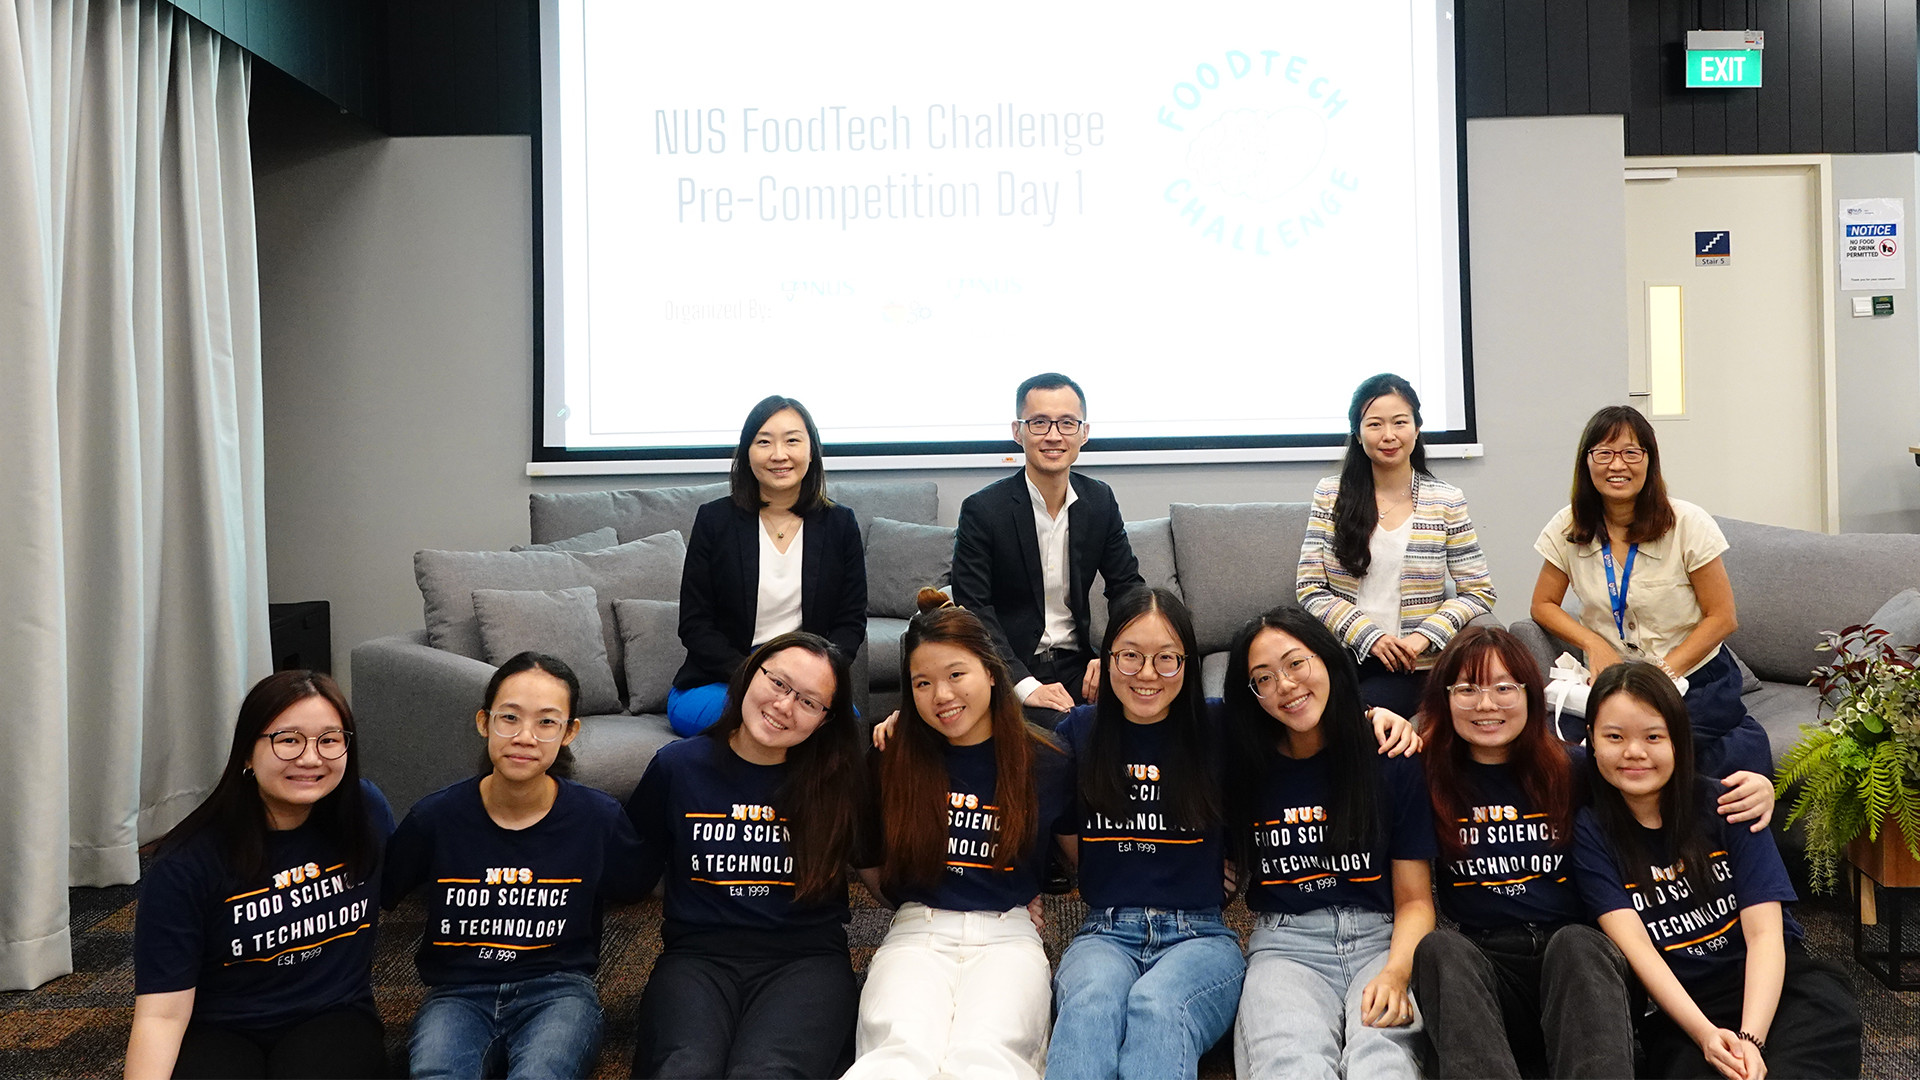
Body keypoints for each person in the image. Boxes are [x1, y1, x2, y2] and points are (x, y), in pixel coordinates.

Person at [1414, 627, 1781, 1079]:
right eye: (1467, 689)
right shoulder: (1424, 776)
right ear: (1444, 698)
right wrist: (1376, 715)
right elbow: (1351, 756)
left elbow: (1661, 775)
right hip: (1488, 967)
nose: (1487, 704)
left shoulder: (1573, 767)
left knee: (1577, 943)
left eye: (1504, 687)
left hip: (1582, 965)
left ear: (1531, 694)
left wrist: (1760, 785)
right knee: (1438, 949)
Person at [1570, 662, 1862, 1079]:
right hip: (1686, 1007)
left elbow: (1765, 935)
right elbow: (1639, 950)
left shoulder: (1730, 803)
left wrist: (1750, 1039)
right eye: (1614, 737)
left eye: (1654, 736)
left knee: (1811, 1049)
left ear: (1679, 741)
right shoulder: (1591, 832)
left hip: (1777, 987)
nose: (1634, 752)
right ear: (1591, 744)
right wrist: (1707, 1035)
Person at [845, 590, 1077, 1080]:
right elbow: (868, 855)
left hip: (1009, 935)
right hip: (916, 933)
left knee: (987, 1054)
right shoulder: (891, 756)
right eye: (922, 683)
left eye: (956, 675)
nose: (942, 696)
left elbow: (1081, 855)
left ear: (991, 671)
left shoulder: (1046, 760)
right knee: (900, 1053)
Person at [383, 652, 647, 1080]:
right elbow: (382, 891)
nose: (525, 736)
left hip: (558, 989)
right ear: (484, 722)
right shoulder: (435, 818)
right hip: (457, 991)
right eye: (509, 718)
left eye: (546, 722)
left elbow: (633, 885)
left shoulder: (597, 819)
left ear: (569, 732)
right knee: (436, 1072)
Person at [126, 670, 393, 1080]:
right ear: (248, 754)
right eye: (287, 740)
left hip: (333, 1017)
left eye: (329, 740)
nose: (310, 758)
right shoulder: (186, 863)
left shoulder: (366, 813)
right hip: (221, 1027)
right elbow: (161, 1014)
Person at [625, 632, 865, 1078]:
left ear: (826, 720)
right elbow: (628, 871)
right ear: (750, 672)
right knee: (685, 1070)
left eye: (809, 702)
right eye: (778, 683)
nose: (784, 706)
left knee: (766, 1072)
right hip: (696, 958)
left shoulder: (841, 781)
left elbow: (889, 872)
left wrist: (1015, 887)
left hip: (806, 959)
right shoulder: (677, 766)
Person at [1223, 606, 1435, 1079]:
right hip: (1285, 946)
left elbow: (1418, 900)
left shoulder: (1389, 755)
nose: (1286, 685)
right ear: (1252, 694)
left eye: (1296, 663)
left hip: (1383, 940)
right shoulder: (1242, 761)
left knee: (1384, 1064)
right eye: (1263, 678)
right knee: (1288, 1065)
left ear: (1327, 661)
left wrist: (1397, 973)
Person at [1044, 587, 1242, 1080]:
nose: (1148, 674)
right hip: (1104, 932)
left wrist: (1375, 717)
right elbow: (1067, 833)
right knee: (1091, 1004)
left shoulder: (1220, 725)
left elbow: (1308, 723)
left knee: (1157, 1004)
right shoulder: (1080, 731)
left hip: (1202, 936)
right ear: (1106, 660)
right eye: (1130, 656)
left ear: (1188, 663)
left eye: (1166, 659)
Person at [1529, 404, 1769, 778]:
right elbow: (1543, 604)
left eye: (1630, 453)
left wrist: (1663, 674)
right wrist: (1593, 644)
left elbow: (1723, 617)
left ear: (1649, 461)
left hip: (1695, 676)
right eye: (1604, 453)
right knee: (1570, 750)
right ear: (1587, 462)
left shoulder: (1687, 523)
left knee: (1664, 749)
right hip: (1617, 681)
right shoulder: (1569, 524)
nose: (1617, 465)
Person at [1297, 373, 1496, 717]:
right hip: (1341, 654)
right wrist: (1368, 635)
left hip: (1410, 664)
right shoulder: (1331, 495)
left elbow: (1478, 591)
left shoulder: (1446, 500)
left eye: (1400, 422)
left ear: (1417, 429)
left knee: (1352, 717)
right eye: (1374, 424)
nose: (1388, 435)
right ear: (1358, 435)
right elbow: (1310, 588)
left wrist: (1425, 636)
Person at [951, 372, 1143, 725]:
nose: (1054, 436)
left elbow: (1128, 588)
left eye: (1067, 423)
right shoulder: (983, 510)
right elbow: (973, 609)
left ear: (1084, 433)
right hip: (1008, 666)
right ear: (1017, 431)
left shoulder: (1099, 500)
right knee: (1065, 739)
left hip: (1078, 664)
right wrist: (1024, 685)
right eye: (1039, 423)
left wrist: (1117, 653)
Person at [671, 394, 867, 736]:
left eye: (792, 440)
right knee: (767, 722)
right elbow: (695, 624)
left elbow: (849, 624)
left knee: (839, 726)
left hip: (804, 680)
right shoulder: (715, 520)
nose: (779, 454)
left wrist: (805, 679)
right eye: (764, 442)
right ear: (747, 453)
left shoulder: (840, 524)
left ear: (812, 450)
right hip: (722, 679)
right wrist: (761, 677)